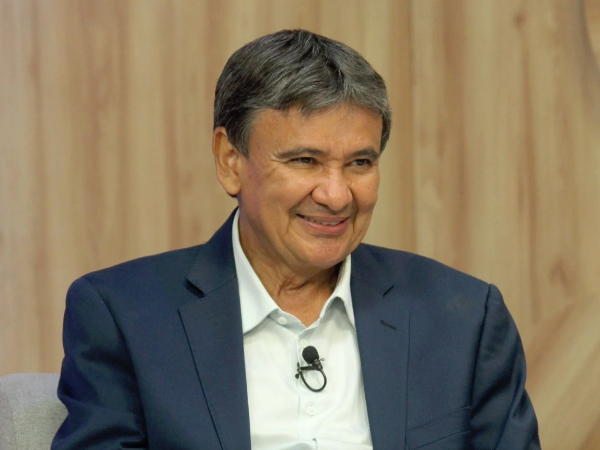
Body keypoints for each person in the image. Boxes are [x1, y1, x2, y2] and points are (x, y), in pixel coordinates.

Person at [52, 29, 540, 449]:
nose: (336, 195)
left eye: (360, 163)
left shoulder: (465, 319)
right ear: (230, 161)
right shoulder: (123, 316)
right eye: (305, 161)